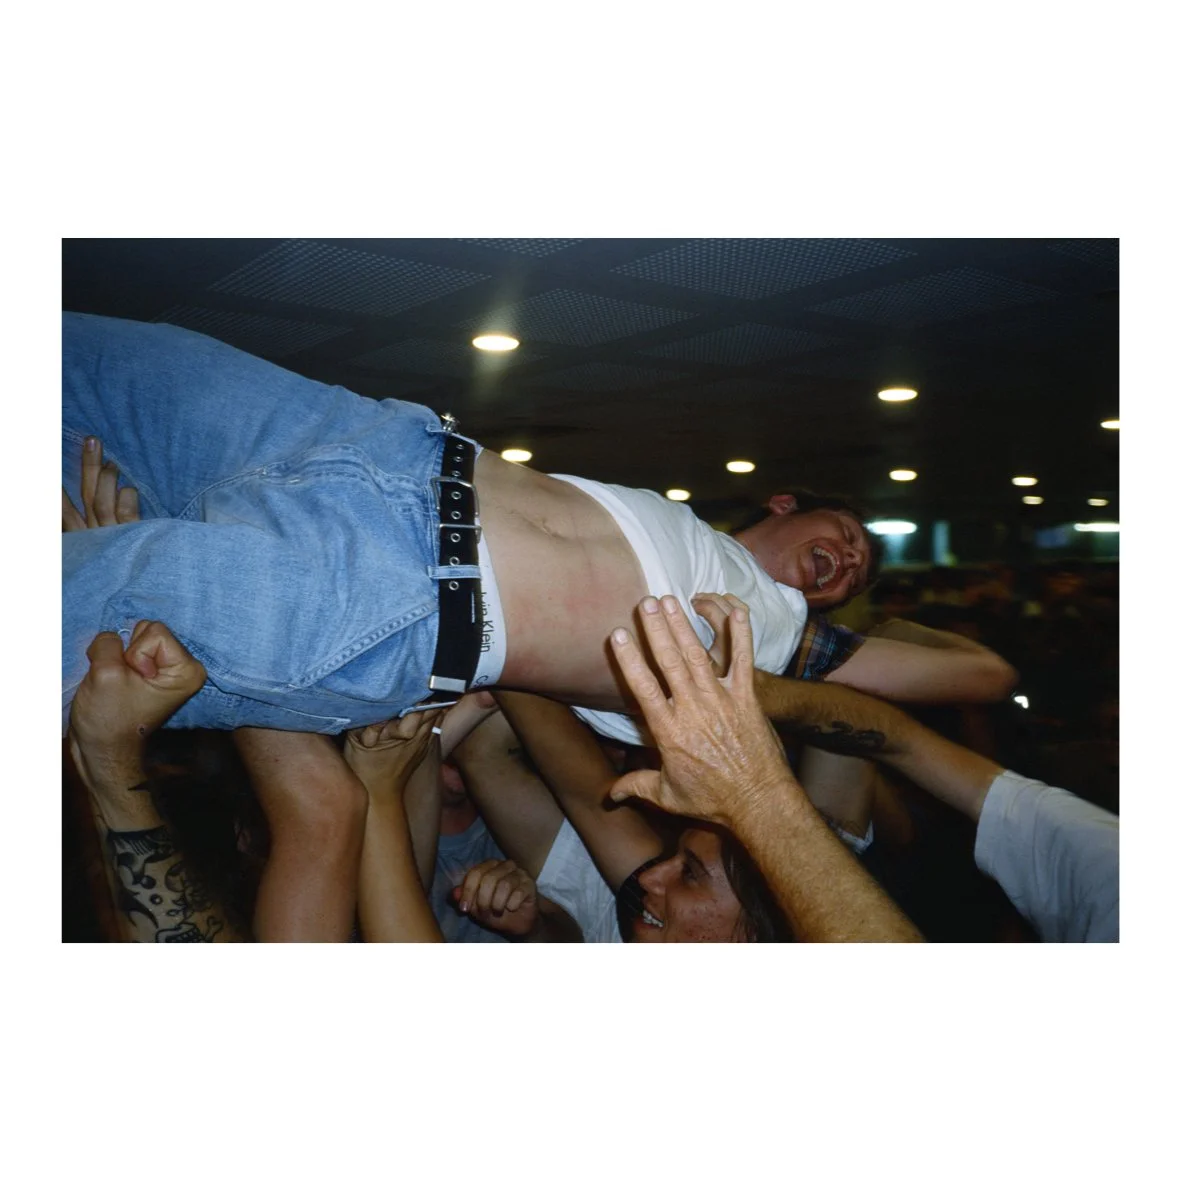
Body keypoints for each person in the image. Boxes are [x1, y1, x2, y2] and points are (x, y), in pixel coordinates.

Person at [63, 313, 1015, 743]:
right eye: (846, 529)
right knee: (77, 353)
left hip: (381, 603)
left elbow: (982, 671)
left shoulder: (772, 648)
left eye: (857, 570)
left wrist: (867, 618)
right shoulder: (678, 523)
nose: (849, 555)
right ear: (782, 503)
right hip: (375, 442)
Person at [689, 594, 1119, 941]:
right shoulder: (1105, 855)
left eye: (691, 874)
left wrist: (757, 695)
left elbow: (981, 686)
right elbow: (898, 744)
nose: (650, 881)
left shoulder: (1103, 855)